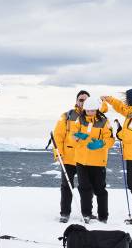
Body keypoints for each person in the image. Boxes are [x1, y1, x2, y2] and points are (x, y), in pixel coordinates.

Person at [102, 88, 132, 226]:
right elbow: (122, 109)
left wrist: (119, 134)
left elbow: (128, 136)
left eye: (127, 98)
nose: (126, 101)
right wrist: (110, 100)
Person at [72, 97, 114, 224]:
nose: (89, 112)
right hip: (82, 161)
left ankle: (103, 216)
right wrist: (80, 137)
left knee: (100, 190)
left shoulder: (104, 122)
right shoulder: (80, 120)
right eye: (88, 110)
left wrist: (101, 144)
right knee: (84, 188)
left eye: (92, 110)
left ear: (96, 109)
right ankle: (86, 214)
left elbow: (111, 140)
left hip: (98, 161)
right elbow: (73, 134)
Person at [52, 90, 90, 223]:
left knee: (85, 188)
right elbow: (58, 136)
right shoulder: (66, 116)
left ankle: (86, 214)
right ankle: (65, 213)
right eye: (81, 100)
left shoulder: (93, 116)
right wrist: (58, 154)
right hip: (68, 158)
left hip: (84, 159)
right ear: (76, 101)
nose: (83, 102)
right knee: (66, 186)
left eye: (86, 100)